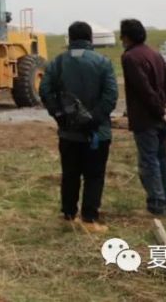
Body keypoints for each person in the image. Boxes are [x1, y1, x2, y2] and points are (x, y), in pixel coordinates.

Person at [39, 21, 118, 233]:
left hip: (68, 133)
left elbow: (44, 90)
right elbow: (111, 96)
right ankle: (90, 219)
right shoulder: (103, 62)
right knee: (94, 176)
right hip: (97, 134)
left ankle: (68, 215)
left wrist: (59, 116)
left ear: (70, 38)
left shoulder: (57, 63)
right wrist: (94, 119)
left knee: (70, 174)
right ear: (90, 39)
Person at [120, 18, 166, 216]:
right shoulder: (155, 53)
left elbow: (144, 90)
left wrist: (158, 110)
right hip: (163, 117)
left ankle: (157, 203)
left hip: (146, 119)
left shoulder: (130, 57)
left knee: (149, 161)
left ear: (126, 37)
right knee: (162, 158)